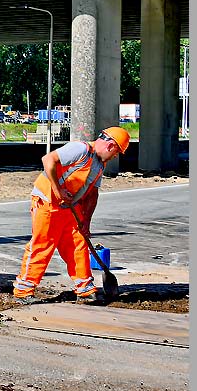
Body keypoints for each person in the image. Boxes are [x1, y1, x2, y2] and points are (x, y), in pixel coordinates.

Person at [13, 126, 129, 305]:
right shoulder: (81, 149)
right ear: (111, 146)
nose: (115, 157)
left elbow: (92, 194)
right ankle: (23, 290)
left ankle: (84, 288)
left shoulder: (99, 164)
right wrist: (58, 190)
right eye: (117, 153)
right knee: (43, 244)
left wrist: (86, 222)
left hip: (70, 207)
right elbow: (48, 159)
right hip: (48, 201)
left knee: (78, 244)